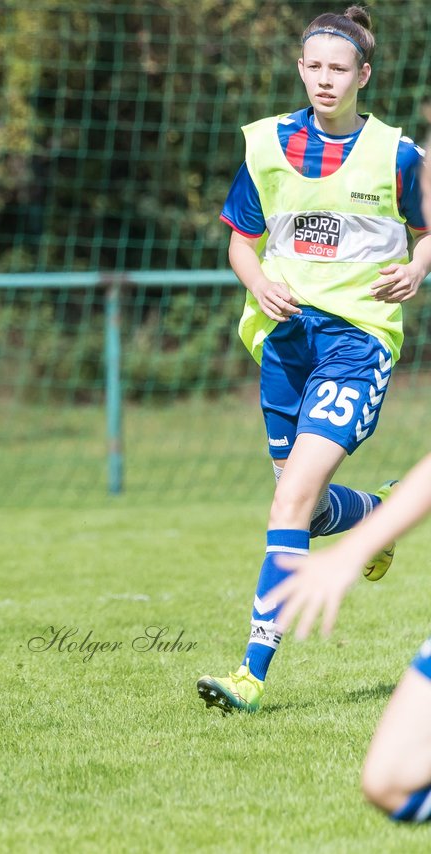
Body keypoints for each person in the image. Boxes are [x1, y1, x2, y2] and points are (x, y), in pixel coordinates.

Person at [196, 6, 429, 714]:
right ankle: (379, 513)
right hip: (286, 346)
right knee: (302, 506)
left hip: (357, 345)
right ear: (301, 69)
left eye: (340, 69)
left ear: (364, 75)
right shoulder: (266, 144)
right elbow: (242, 239)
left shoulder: (398, 154)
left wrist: (419, 269)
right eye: (314, 67)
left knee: (289, 500)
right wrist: (258, 280)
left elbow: (427, 233)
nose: (326, 79)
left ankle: (251, 674)